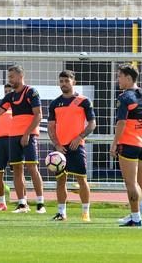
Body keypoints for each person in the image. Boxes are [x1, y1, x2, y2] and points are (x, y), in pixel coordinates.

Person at [0, 65, 45, 214]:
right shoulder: (10, 96)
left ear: (21, 76)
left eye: (12, 77)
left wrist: (27, 134)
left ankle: (40, 203)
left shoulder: (31, 92)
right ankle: (22, 203)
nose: (10, 80)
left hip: (29, 135)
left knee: (32, 167)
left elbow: (38, 115)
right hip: (13, 136)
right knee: (17, 169)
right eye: (9, 77)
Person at [47, 70, 96, 222]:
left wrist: (79, 137)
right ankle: (62, 213)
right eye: (61, 81)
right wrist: (56, 144)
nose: (63, 84)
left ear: (73, 82)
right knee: (61, 181)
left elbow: (92, 124)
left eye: (66, 81)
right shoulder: (55, 103)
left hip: (77, 146)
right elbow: (50, 127)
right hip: (61, 149)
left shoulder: (83, 101)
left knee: (82, 180)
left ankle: (85, 213)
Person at [111, 64, 142, 226]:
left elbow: (121, 122)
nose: (118, 80)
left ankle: (135, 218)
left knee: (131, 183)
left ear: (128, 78)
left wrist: (115, 143)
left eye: (120, 76)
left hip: (129, 143)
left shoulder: (124, 97)